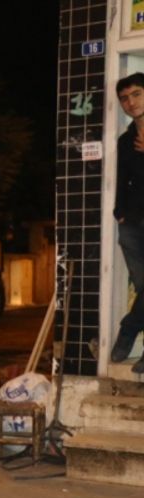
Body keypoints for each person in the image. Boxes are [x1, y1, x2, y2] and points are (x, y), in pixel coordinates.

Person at [111, 72, 144, 374]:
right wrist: (119, 213)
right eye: (124, 98)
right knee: (142, 284)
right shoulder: (124, 141)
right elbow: (121, 180)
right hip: (132, 222)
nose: (130, 102)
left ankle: (128, 329)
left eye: (136, 94)